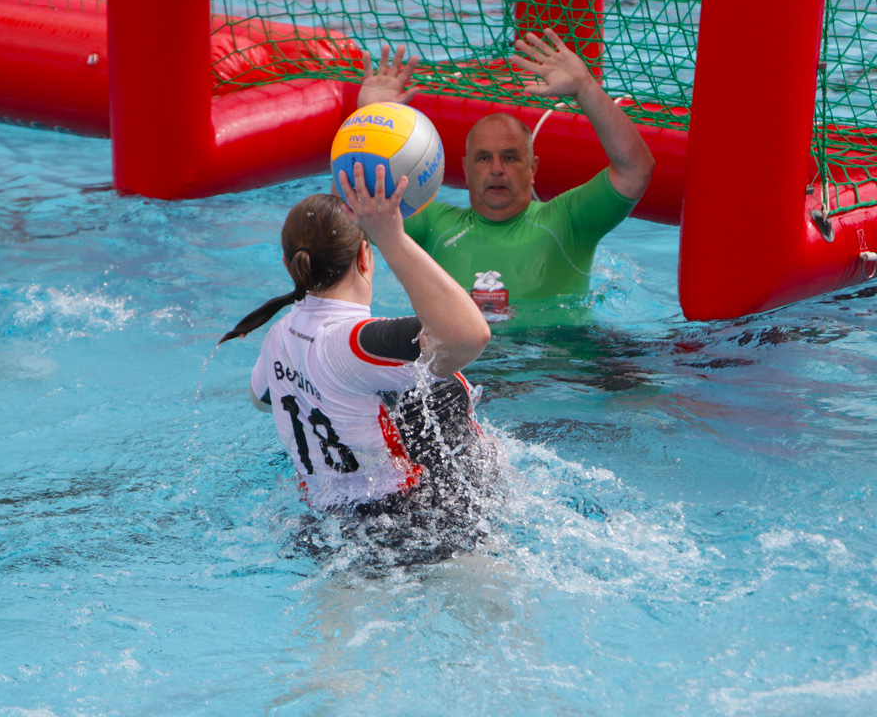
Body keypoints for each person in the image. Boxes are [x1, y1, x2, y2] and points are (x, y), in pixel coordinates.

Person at [219, 163, 491, 513]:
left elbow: (261, 399)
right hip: (404, 525)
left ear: (289, 265)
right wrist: (393, 238)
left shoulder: (278, 336)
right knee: (440, 390)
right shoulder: (354, 344)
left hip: (324, 523)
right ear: (365, 256)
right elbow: (469, 336)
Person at [357, 30, 656, 302]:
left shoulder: (569, 221)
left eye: (510, 157)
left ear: (532, 168)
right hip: (456, 348)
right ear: (466, 169)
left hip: (559, 345)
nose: (497, 169)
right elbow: (347, 219)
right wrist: (368, 119)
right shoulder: (432, 225)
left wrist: (585, 88)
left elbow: (636, 169)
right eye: (484, 158)